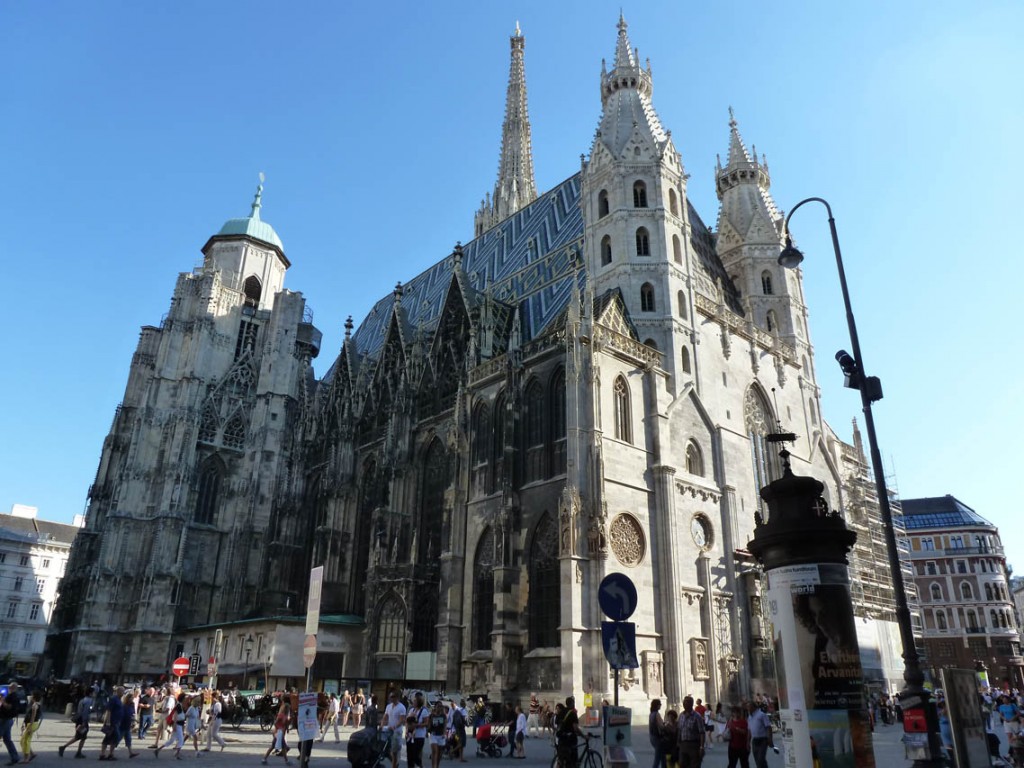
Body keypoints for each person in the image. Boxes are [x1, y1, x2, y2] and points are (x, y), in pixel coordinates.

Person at [676, 696, 705, 768]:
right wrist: (678, 742)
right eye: (684, 702)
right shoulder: (681, 716)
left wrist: (701, 747)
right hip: (683, 744)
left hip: (694, 745)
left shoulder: (697, 716)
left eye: (687, 702)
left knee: (694, 765)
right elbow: (679, 730)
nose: (684, 704)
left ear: (691, 704)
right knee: (682, 764)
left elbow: (702, 732)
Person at [155, 692, 186, 759]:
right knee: (181, 740)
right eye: (185, 698)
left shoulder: (180, 705)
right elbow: (175, 716)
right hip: (177, 724)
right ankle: (177, 754)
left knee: (171, 740)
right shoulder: (178, 706)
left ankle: (158, 750)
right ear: (183, 699)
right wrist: (174, 725)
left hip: (179, 724)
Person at [555, 696, 583, 768]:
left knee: (562, 759)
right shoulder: (572, 713)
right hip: (570, 740)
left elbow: (557, 725)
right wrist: (583, 735)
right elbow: (575, 728)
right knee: (572, 760)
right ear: (572, 703)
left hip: (561, 739)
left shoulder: (561, 712)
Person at [98, 685, 124, 761]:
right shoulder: (113, 699)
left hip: (117, 722)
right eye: (122, 691)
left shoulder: (120, 699)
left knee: (114, 738)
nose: (123, 693)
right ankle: (102, 754)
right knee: (109, 737)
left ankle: (111, 754)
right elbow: (109, 710)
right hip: (112, 722)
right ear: (118, 691)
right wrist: (108, 721)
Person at [262, 701, 292, 766]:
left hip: (281, 733)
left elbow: (286, 724)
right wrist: (279, 728)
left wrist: (287, 729)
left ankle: (286, 760)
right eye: (288, 709)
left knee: (281, 747)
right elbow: (276, 723)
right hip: (278, 733)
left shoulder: (285, 716)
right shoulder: (281, 715)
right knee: (275, 746)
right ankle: (264, 758)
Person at [383, 692, 407, 768]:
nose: (390, 698)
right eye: (390, 697)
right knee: (387, 748)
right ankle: (395, 763)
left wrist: (394, 726)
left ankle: (394, 765)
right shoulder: (388, 706)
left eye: (392, 696)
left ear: (397, 697)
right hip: (388, 730)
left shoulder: (401, 707)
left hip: (396, 731)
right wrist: (381, 724)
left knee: (394, 751)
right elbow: (385, 716)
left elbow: (402, 720)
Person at [1, 683, 23, 765]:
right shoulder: (17, 696)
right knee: (7, 740)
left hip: (5, 720)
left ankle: (15, 757)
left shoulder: (11, 696)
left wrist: (3, 701)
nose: (8, 689)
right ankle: (15, 757)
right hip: (9, 719)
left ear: (11, 688)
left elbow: (9, 707)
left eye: (9, 687)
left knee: (7, 739)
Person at [18, 690, 42, 763]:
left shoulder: (35, 705)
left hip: (32, 724)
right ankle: (31, 754)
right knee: (25, 740)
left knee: (25, 741)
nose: (31, 696)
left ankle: (26, 758)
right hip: (32, 724)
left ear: (34, 697)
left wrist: (29, 727)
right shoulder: (36, 704)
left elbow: (33, 716)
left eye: (32, 695)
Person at [746, 702, 771, 768]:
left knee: (761, 759)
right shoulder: (749, 717)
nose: (748, 708)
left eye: (749, 707)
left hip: (762, 740)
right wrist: (748, 742)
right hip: (755, 740)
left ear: (754, 707)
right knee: (757, 759)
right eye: (747, 707)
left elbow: (768, 727)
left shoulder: (761, 715)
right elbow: (749, 730)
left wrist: (769, 738)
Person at [407, 693, 428, 768]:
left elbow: (426, 723)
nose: (413, 702)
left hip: (419, 735)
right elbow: (408, 721)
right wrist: (407, 729)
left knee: (416, 754)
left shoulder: (424, 711)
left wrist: (417, 725)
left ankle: (420, 765)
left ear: (419, 702)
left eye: (415, 701)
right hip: (410, 735)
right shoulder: (411, 710)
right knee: (410, 755)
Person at [119, 689, 140, 758]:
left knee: (128, 739)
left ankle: (131, 753)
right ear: (128, 698)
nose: (132, 699)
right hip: (123, 724)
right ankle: (110, 751)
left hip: (128, 724)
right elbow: (123, 715)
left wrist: (135, 720)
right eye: (131, 698)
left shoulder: (132, 705)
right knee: (117, 739)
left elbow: (132, 714)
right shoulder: (124, 706)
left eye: (132, 698)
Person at [427, 700, 447, 768]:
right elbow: (428, 725)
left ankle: (437, 766)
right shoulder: (431, 715)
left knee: (439, 754)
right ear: (435, 707)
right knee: (435, 751)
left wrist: (444, 733)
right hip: (433, 735)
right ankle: (433, 766)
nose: (440, 708)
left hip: (441, 735)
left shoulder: (443, 715)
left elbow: (445, 725)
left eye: (441, 706)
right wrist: (428, 729)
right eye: (438, 706)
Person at [649, 699, 666, 768]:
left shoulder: (651, 714)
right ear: (657, 705)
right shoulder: (657, 714)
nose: (660, 706)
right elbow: (661, 726)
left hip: (652, 737)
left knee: (662, 758)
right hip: (658, 738)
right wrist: (666, 725)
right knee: (658, 759)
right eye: (660, 704)